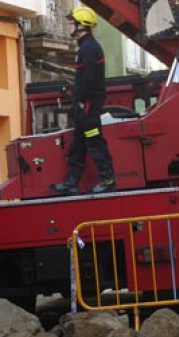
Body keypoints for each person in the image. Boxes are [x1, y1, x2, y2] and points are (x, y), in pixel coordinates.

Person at [51, 6, 115, 195]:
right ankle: (72, 182)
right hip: (84, 104)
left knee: (94, 140)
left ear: (82, 26)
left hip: (88, 104)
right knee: (78, 142)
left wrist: (82, 100)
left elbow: (88, 78)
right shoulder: (86, 47)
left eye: (72, 22)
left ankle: (107, 179)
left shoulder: (89, 48)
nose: (69, 25)